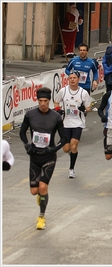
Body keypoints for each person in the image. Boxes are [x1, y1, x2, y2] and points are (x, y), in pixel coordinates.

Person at [19, 87, 67, 229]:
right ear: (37, 100)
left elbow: (64, 138)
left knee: (43, 186)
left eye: (46, 101)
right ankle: (41, 196)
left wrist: (54, 148)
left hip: (48, 157)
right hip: (35, 156)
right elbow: (22, 133)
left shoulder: (56, 117)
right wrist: (27, 145)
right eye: (40, 101)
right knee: (35, 191)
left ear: (49, 101)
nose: (43, 104)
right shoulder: (30, 115)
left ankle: (41, 217)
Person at [53, 71, 92, 178]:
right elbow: (56, 102)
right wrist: (58, 109)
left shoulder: (83, 93)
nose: (72, 80)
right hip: (66, 122)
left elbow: (89, 108)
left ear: (78, 80)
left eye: (74, 78)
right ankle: (72, 154)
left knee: (74, 145)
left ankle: (71, 169)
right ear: (68, 80)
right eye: (70, 78)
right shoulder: (63, 91)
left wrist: (84, 109)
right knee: (66, 148)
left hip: (78, 122)